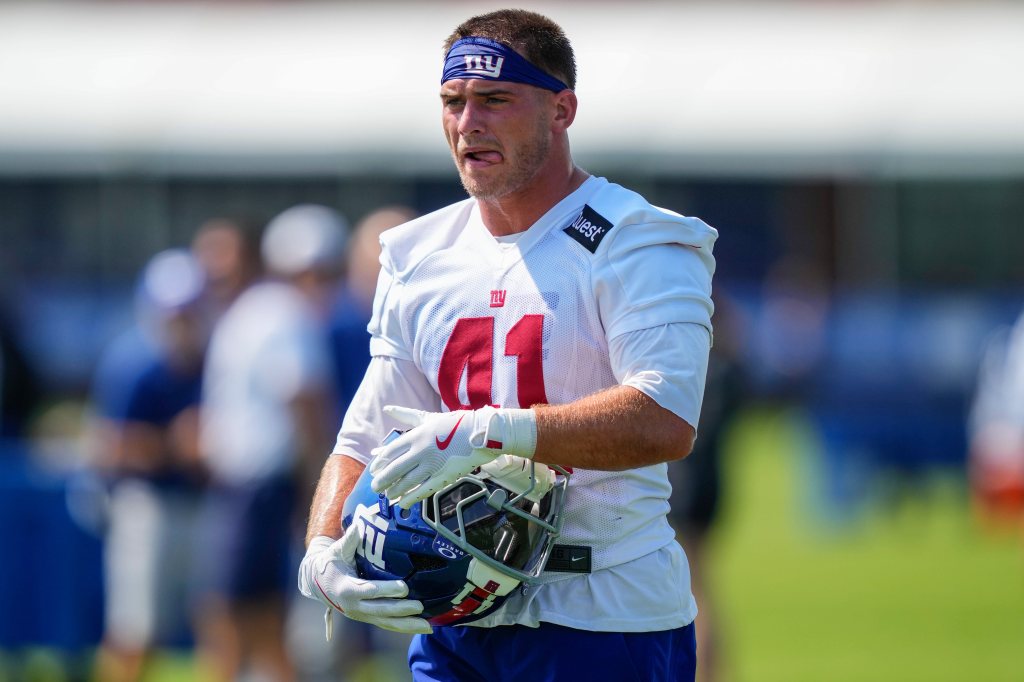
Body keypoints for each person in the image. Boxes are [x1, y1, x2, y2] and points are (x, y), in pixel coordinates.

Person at [297, 9, 717, 682]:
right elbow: (366, 432)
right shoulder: (419, 253)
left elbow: (664, 421)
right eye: (453, 102)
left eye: (495, 100)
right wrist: (321, 548)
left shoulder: (635, 239)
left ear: (562, 110)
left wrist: (492, 431)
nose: (469, 123)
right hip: (451, 614)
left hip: (601, 612)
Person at [195, 205, 347, 682]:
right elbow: (305, 405)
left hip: (250, 482)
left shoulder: (256, 310)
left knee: (243, 610)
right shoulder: (287, 315)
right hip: (262, 484)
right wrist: (315, 489)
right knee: (249, 612)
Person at [89, 249, 209, 682]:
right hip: (147, 503)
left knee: (219, 619)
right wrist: (175, 445)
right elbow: (107, 448)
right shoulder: (133, 363)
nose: (182, 321)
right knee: (135, 628)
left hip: (203, 501)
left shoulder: (212, 357)